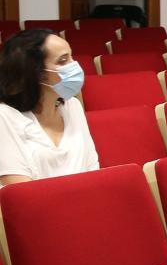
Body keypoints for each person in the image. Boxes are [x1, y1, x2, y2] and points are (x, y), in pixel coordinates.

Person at [0, 29, 98, 185]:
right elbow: (20, 192)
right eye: (63, 61)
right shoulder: (5, 117)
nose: (75, 66)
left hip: (83, 203)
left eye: (72, 57)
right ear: (37, 73)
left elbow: (92, 170)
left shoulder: (73, 107)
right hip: (39, 206)